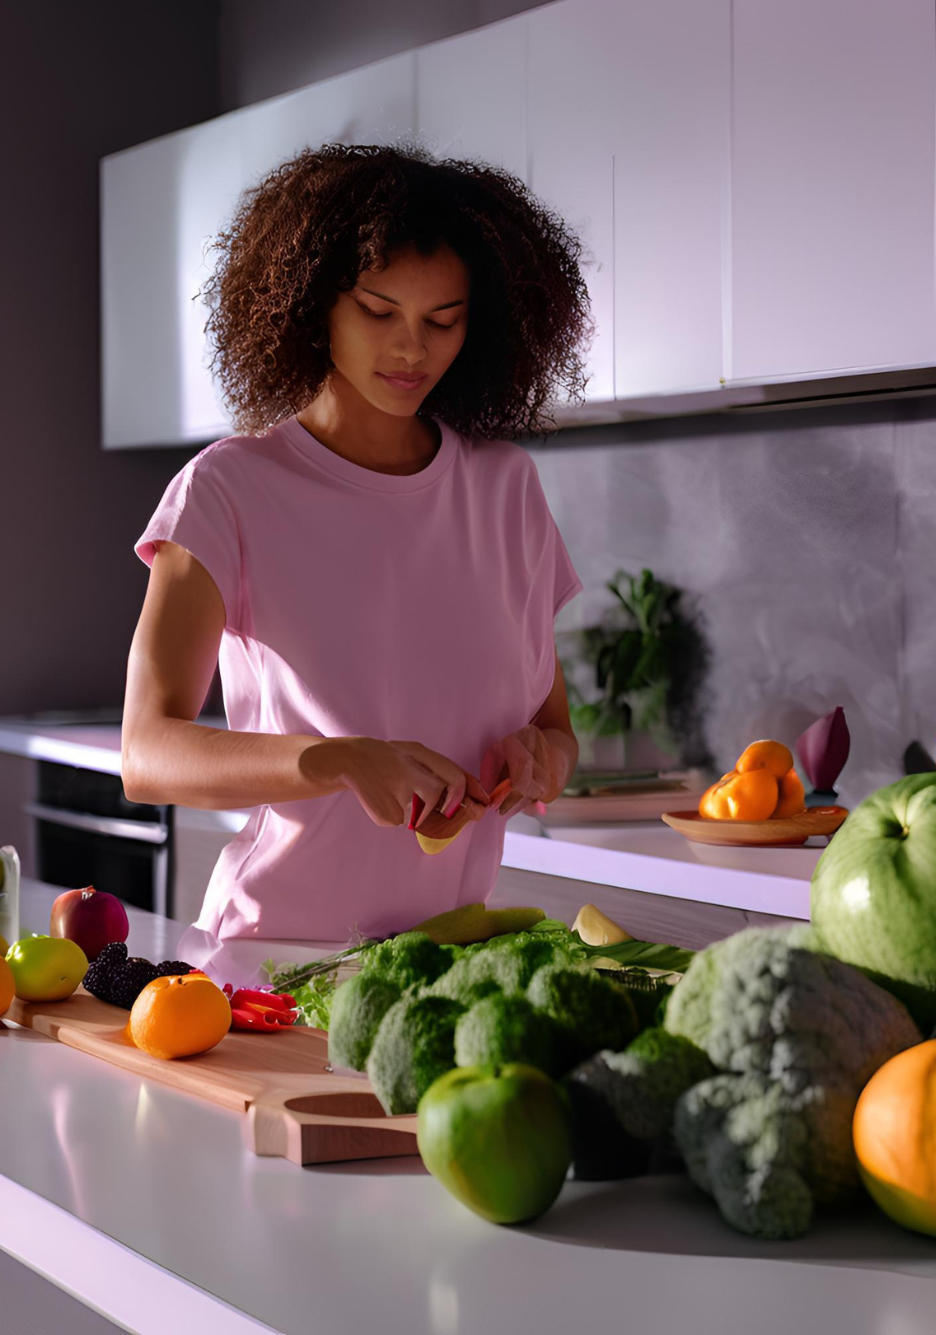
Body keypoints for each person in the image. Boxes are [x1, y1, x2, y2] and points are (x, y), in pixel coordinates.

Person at [120, 141, 594, 985]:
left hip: (453, 969)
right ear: (313, 306)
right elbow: (148, 753)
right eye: (379, 311)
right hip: (274, 967)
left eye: (443, 320)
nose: (412, 348)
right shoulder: (229, 489)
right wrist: (338, 759)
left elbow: (555, 730)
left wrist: (540, 761)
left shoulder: (506, 489)